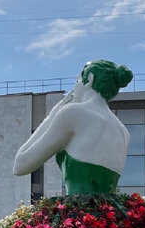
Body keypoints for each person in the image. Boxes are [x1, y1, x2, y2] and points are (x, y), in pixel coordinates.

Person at [13, 59, 134, 195]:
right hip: (112, 214)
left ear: (89, 79)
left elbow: (20, 165)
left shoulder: (74, 112)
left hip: (76, 213)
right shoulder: (123, 131)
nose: (75, 88)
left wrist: (51, 116)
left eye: (77, 82)